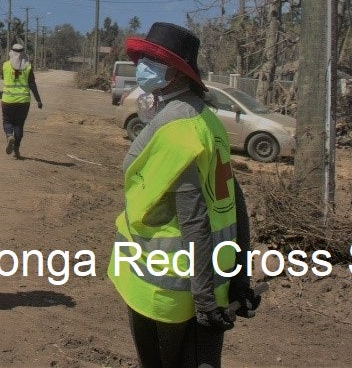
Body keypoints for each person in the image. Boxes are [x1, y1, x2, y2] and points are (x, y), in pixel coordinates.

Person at [106, 22, 258, 368]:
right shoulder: (208, 120)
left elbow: (194, 218)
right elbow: (235, 203)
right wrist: (238, 281)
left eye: (151, 60)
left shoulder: (177, 131)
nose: (142, 65)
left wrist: (203, 299)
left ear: (176, 73)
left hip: (168, 290)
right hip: (210, 280)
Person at [0, 41, 43, 160]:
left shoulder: (5, 65)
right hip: (23, 102)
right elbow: (32, 84)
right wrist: (38, 100)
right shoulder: (28, 67)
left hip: (8, 100)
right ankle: (16, 150)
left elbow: (3, 77)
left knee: (7, 121)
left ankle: (9, 136)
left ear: (12, 53)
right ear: (23, 54)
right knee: (19, 125)